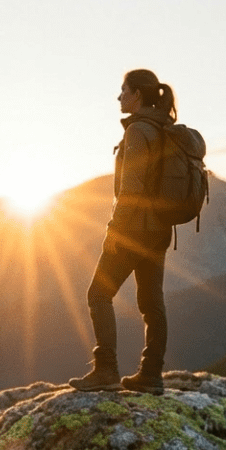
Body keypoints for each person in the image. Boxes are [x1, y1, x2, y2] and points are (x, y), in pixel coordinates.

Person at [69, 68, 177, 395]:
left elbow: (131, 190)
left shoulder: (137, 132)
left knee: (98, 294)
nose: (119, 97)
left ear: (137, 95)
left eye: (123, 90)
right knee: (151, 302)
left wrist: (114, 232)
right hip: (159, 232)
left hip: (133, 231)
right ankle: (152, 374)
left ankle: (106, 370)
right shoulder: (163, 129)